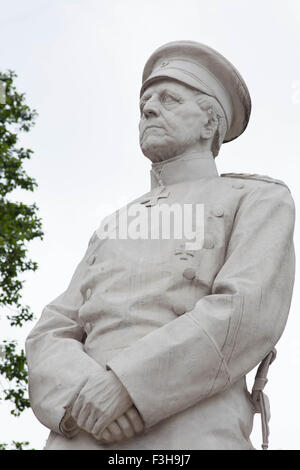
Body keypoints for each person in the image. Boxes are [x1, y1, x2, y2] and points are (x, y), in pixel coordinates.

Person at [25, 40, 295, 450]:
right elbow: (52, 330)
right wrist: (84, 395)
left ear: (210, 123)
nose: (150, 109)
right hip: (82, 430)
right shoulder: (113, 225)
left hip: (191, 428)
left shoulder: (256, 199)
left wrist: (128, 385)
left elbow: (246, 310)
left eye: (169, 99)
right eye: (145, 103)